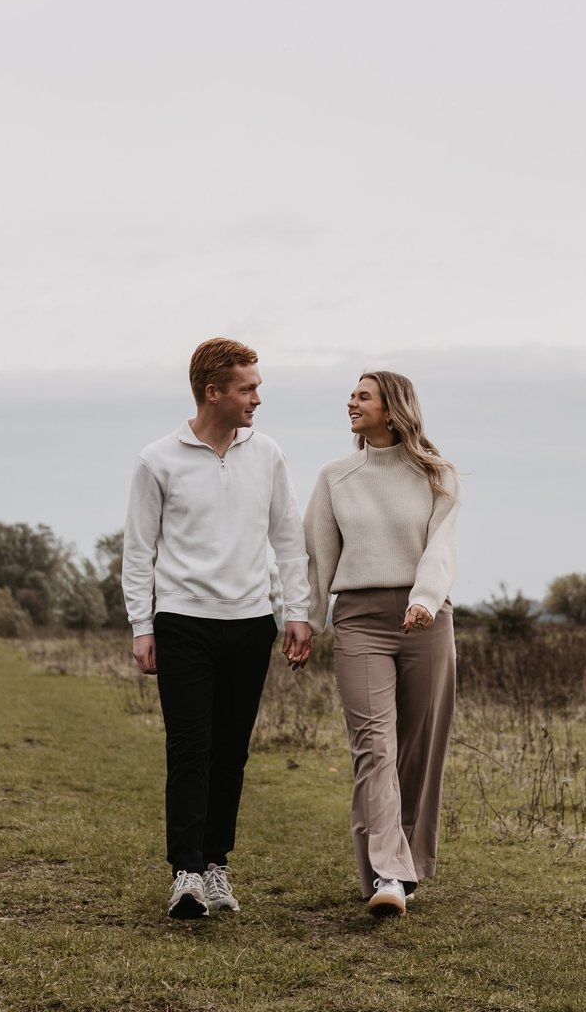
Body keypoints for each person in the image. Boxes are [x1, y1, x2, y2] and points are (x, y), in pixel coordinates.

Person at [122, 337, 315, 919]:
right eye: (248, 388)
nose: (258, 397)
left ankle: (215, 868)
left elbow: (288, 539)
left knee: (231, 753)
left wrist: (297, 611)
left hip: (252, 622)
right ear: (214, 392)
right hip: (182, 623)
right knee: (189, 748)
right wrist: (141, 623)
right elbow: (139, 550)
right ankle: (184, 873)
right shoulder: (158, 459)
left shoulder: (268, 454)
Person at [302, 370, 460, 918]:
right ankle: (388, 873)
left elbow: (442, 546)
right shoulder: (335, 477)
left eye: (362, 395)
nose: (350, 402)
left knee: (418, 751)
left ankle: (403, 868)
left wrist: (426, 598)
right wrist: (307, 621)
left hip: (427, 620)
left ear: (391, 409)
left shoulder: (438, 474)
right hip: (361, 621)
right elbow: (318, 557)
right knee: (375, 747)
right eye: (351, 394)